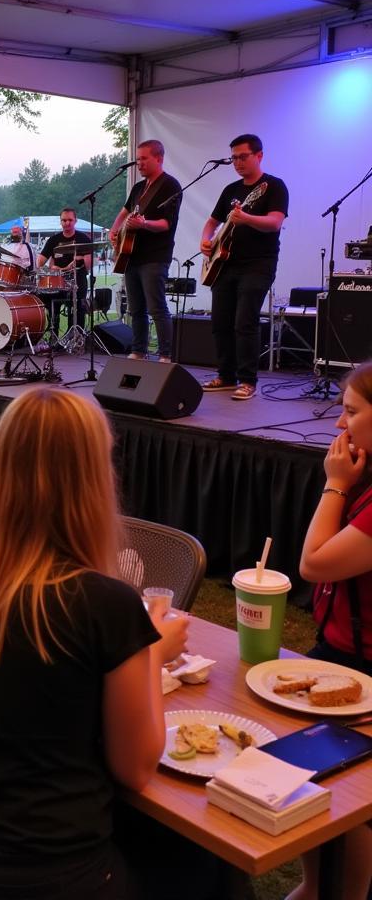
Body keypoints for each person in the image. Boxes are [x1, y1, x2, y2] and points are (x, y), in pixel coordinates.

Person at [0, 386, 189, 900]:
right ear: (94, 480)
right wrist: (152, 654)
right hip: (37, 879)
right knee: (207, 868)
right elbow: (136, 769)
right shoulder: (105, 604)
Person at [291, 362, 372, 900]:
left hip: (363, 676)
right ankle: (314, 886)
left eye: (350, 412)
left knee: (348, 802)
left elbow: (314, 564)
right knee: (301, 775)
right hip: (337, 657)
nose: (338, 426)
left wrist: (335, 484)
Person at [200, 134, 287, 401]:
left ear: (259, 155)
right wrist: (205, 240)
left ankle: (248, 380)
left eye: (242, 156)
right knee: (220, 321)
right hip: (225, 263)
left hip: (258, 263)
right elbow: (212, 222)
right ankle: (226, 376)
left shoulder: (273, 187)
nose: (237, 162)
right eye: (234, 158)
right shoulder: (230, 190)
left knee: (244, 321)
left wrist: (246, 218)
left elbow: (274, 223)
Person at [108, 140, 181, 362]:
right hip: (132, 255)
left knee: (156, 307)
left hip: (155, 256)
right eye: (137, 159)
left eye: (143, 158)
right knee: (135, 307)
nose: (139, 163)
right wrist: (114, 231)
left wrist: (144, 224)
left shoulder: (170, 186)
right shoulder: (138, 187)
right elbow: (125, 211)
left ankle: (165, 354)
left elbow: (166, 224)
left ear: (158, 158)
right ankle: (138, 350)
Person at [39, 208, 92, 333]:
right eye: (64, 220)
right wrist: (50, 267)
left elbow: (88, 266)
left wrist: (80, 257)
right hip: (58, 279)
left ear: (75, 221)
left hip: (78, 279)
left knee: (77, 309)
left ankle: (75, 338)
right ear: (60, 221)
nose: (67, 223)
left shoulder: (83, 238)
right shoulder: (53, 240)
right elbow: (40, 261)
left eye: (70, 220)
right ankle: (54, 338)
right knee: (52, 306)